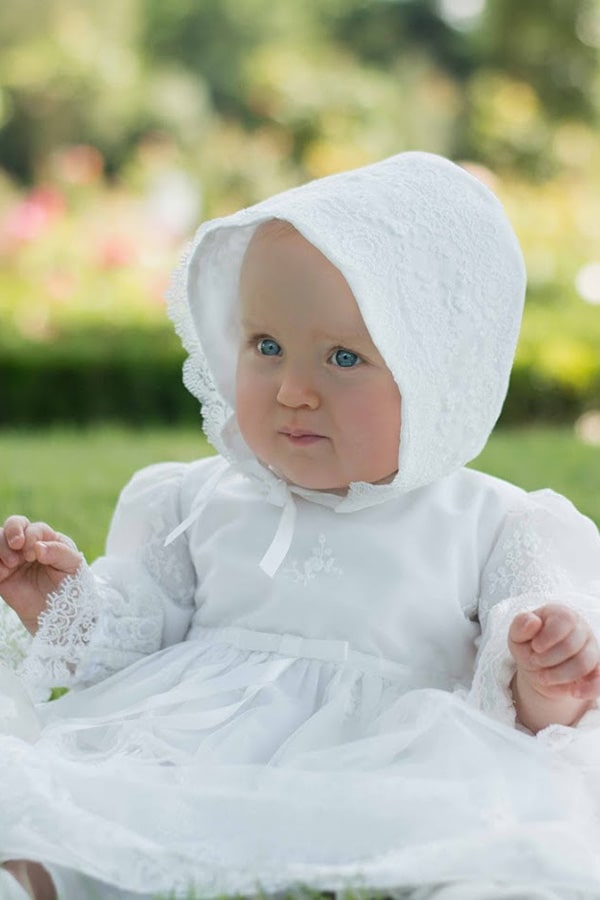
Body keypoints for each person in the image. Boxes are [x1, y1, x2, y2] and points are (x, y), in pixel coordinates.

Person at [2, 152, 600, 900]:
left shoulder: (493, 520)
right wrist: (60, 606)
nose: (292, 391)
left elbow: (528, 716)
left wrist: (550, 668)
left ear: (439, 375)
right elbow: (130, 638)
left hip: (388, 766)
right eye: (267, 347)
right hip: (194, 749)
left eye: (343, 357)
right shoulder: (191, 501)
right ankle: (38, 879)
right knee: (93, 811)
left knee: (490, 844)